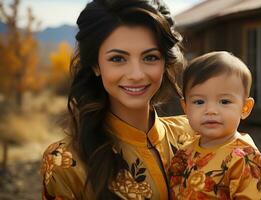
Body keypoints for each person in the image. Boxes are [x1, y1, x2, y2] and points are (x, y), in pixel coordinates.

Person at [40, 0, 195, 199]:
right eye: (118, 59)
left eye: (150, 57)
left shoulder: (196, 135)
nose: (136, 74)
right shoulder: (65, 162)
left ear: (165, 62)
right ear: (96, 65)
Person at [168, 51, 261, 199]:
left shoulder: (244, 159)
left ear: (245, 108)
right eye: (199, 102)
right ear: (185, 107)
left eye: (224, 102)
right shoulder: (184, 152)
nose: (210, 111)